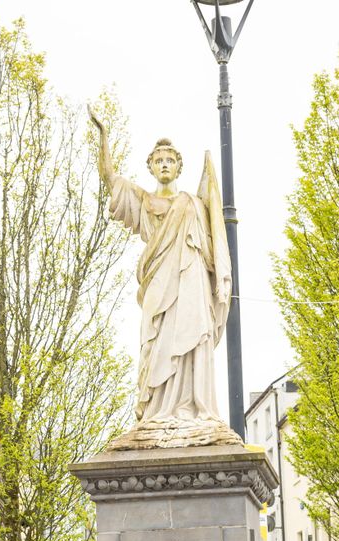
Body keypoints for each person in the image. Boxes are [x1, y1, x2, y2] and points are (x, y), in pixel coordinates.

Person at [88, 106, 232, 434]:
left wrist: (217, 282)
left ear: (178, 166)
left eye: (170, 160)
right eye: (159, 161)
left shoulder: (193, 204)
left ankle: (195, 406)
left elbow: (208, 249)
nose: (164, 165)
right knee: (156, 345)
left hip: (190, 282)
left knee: (194, 336)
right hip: (157, 283)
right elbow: (110, 177)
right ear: (151, 168)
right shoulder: (142, 200)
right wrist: (103, 137)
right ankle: (158, 407)